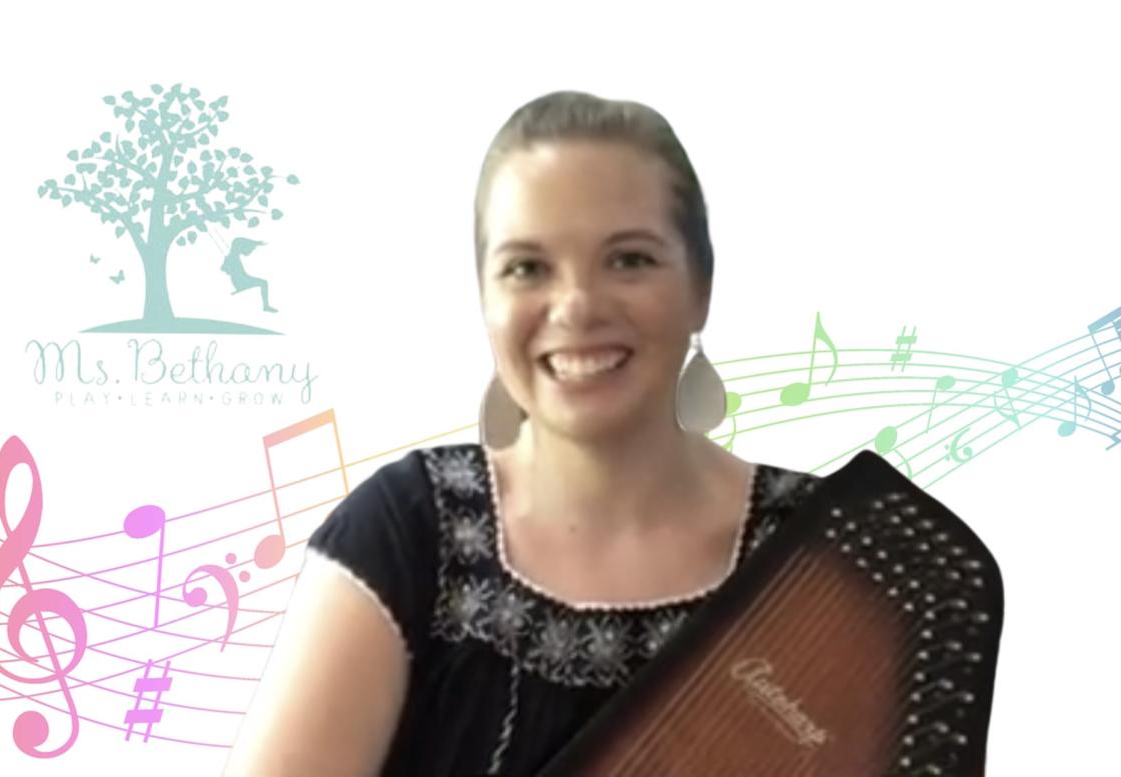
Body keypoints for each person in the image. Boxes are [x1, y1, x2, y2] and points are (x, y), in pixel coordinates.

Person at [223, 90, 821, 776]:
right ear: (486, 299)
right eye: (527, 267)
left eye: (628, 259)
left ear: (702, 286)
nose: (577, 305)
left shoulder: (836, 545)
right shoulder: (406, 533)